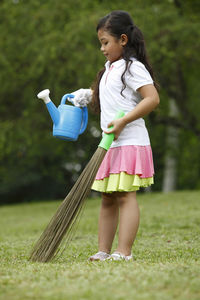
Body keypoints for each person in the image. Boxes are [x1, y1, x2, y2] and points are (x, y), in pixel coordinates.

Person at [71, 10, 160, 261]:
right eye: (101, 43)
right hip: (110, 144)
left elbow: (152, 99)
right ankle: (103, 250)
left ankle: (124, 252)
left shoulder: (133, 68)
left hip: (130, 141)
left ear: (123, 39)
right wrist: (87, 95)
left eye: (105, 42)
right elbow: (109, 95)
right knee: (107, 197)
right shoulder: (109, 68)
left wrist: (123, 121)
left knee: (124, 195)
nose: (102, 49)